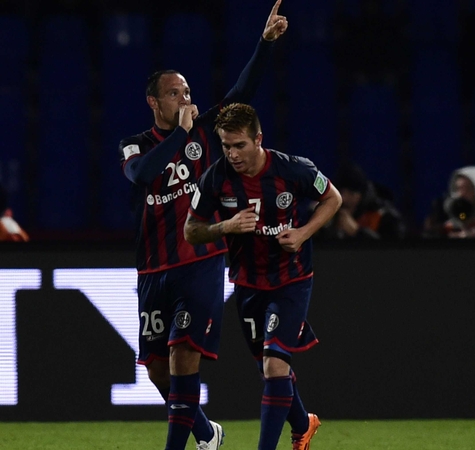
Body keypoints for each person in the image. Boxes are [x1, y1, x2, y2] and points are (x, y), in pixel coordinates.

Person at [117, 2, 288, 449]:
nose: (186, 99)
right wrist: (178, 136)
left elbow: (243, 89)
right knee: (155, 369)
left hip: (202, 259)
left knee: (181, 356)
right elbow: (142, 175)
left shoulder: (206, 130)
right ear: (154, 102)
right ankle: (207, 432)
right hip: (153, 268)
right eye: (175, 93)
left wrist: (264, 44)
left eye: (188, 91)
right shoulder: (134, 145)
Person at [184, 103, 342, 450]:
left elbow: (332, 198)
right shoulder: (216, 177)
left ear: (258, 139)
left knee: (274, 366)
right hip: (247, 283)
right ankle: (303, 424)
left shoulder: (292, 169)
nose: (232, 154)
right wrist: (225, 226)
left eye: (239, 145)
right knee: (271, 370)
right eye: (226, 145)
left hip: (291, 279)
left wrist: (302, 233)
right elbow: (190, 231)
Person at [316, 162, 406, 240]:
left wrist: (357, 232)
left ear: (362, 194)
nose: (344, 198)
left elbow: (393, 254)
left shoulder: (384, 216)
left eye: (351, 193)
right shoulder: (331, 214)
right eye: (340, 193)